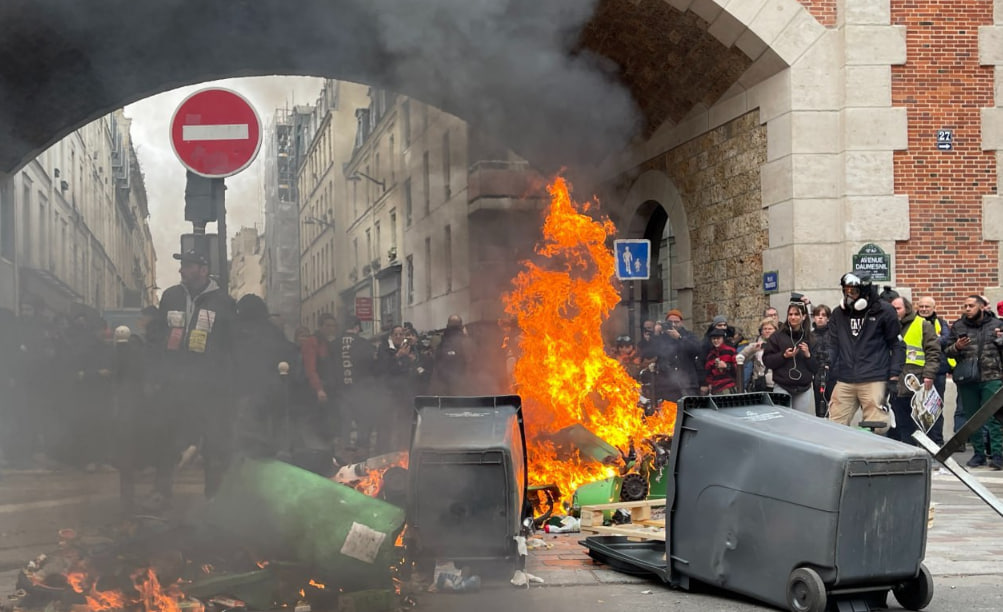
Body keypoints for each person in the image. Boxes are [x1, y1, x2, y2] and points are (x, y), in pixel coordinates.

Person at [154, 249, 236, 502]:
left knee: (213, 442)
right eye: (182, 266)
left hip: (209, 385)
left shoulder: (222, 302)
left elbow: (230, 345)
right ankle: (162, 491)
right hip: (175, 381)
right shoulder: (171, 296)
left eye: (187, 266)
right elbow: (157, 335)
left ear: (203, 270)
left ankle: (213, 497)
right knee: (167, 436)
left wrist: (223, 380)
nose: (181, 270)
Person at [826, 273, 904, 434]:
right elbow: (833, 344)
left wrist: (894, 376)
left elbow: (897, 345)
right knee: (832, 427)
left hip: (874, 377)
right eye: (845, 290)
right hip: (845, 377)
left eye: (853, 291)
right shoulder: (838, 314)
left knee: (878, 427)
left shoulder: (884, 311)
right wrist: (826, 364)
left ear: (864, 292)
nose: (848, 295)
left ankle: (874, 458)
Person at [945, 295, 1003, 469]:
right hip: (968, 378)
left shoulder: (997, 325)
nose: (967, 309)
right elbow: (947, 351)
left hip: (992, 376)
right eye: (965, 306)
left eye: (971, 306)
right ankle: (978, 454)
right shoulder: (958, 326)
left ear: (982, 307)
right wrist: (957, 347)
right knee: (972, 418)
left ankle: (998, 455)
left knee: (994, 417)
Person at [889, 297, 941, 445]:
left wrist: (929, 375)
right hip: (895, 381)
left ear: (907, 308)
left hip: (916, 380)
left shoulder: (922, 324)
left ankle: (925, 451)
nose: (895, 312)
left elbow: (933, 352)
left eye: (898, 308)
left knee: (921, 422)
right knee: (899, 422)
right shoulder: (888, 325)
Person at [763, 302, 818, 415]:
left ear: (804, 316)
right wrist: (783, 356)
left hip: (803, 387)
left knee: (800, 421)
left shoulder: (811, 338)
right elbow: (767, 360)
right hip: (782, 385)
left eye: (796, 314)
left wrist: (808, 355)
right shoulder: (777, 336)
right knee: (782, 420)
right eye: (790, 314)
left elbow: (816, 367)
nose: (793, 317)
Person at [333, 316, 376, 458]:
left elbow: (328, 368)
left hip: (340, 392)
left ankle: (343, 456)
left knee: (344, 423)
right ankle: (361, 455)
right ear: (357, 327)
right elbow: (371, 368)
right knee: (363, 423)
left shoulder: (333, 345)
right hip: (361, 391)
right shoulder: (365, 344)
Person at [915, 296, 954, 446]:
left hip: (937, 372)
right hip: (917, 372)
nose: (924, 309)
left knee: (935, 407)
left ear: (934, 308)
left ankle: (936, 441)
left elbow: (946, 339)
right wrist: (934, 339)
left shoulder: (941, 323)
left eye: (927, 307)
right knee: (917, 408)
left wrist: (928, 340)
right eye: (921, 306)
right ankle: (920, 440)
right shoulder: (912, 323)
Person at [432, 314, 471, 395]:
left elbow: (436, 361)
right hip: (462, 386)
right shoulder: (465, 341)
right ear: (461, 326)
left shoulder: (440, 340)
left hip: (444, 385)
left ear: (447, 326)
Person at [739, 318, 777, 392]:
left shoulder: (780, 344)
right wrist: (752, 349)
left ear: (775, 330)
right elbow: (740, 358)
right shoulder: (756, 345)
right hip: (759, 383)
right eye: (765, 329)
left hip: (775, 383)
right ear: (761, 331)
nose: (767, 331)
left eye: (770, 329)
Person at [811, 304, 835, 417]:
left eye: (823, 315)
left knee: (833, 408)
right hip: (817, 374)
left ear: (828, 318)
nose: (820, 318)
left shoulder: (833, 334)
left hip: (833, 375)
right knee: (819, 407)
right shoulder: (810, 336)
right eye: (817, 315)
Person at [704, 328, 737, 395]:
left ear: (723, 339)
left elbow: (738, 368)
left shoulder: (731, 351)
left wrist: (727, 366)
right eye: (714, 339)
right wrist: (709, 383)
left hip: (729, 387)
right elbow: (708, 373)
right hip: (715, 389)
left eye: (718, 338)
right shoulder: (710, 355)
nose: (716, 340)